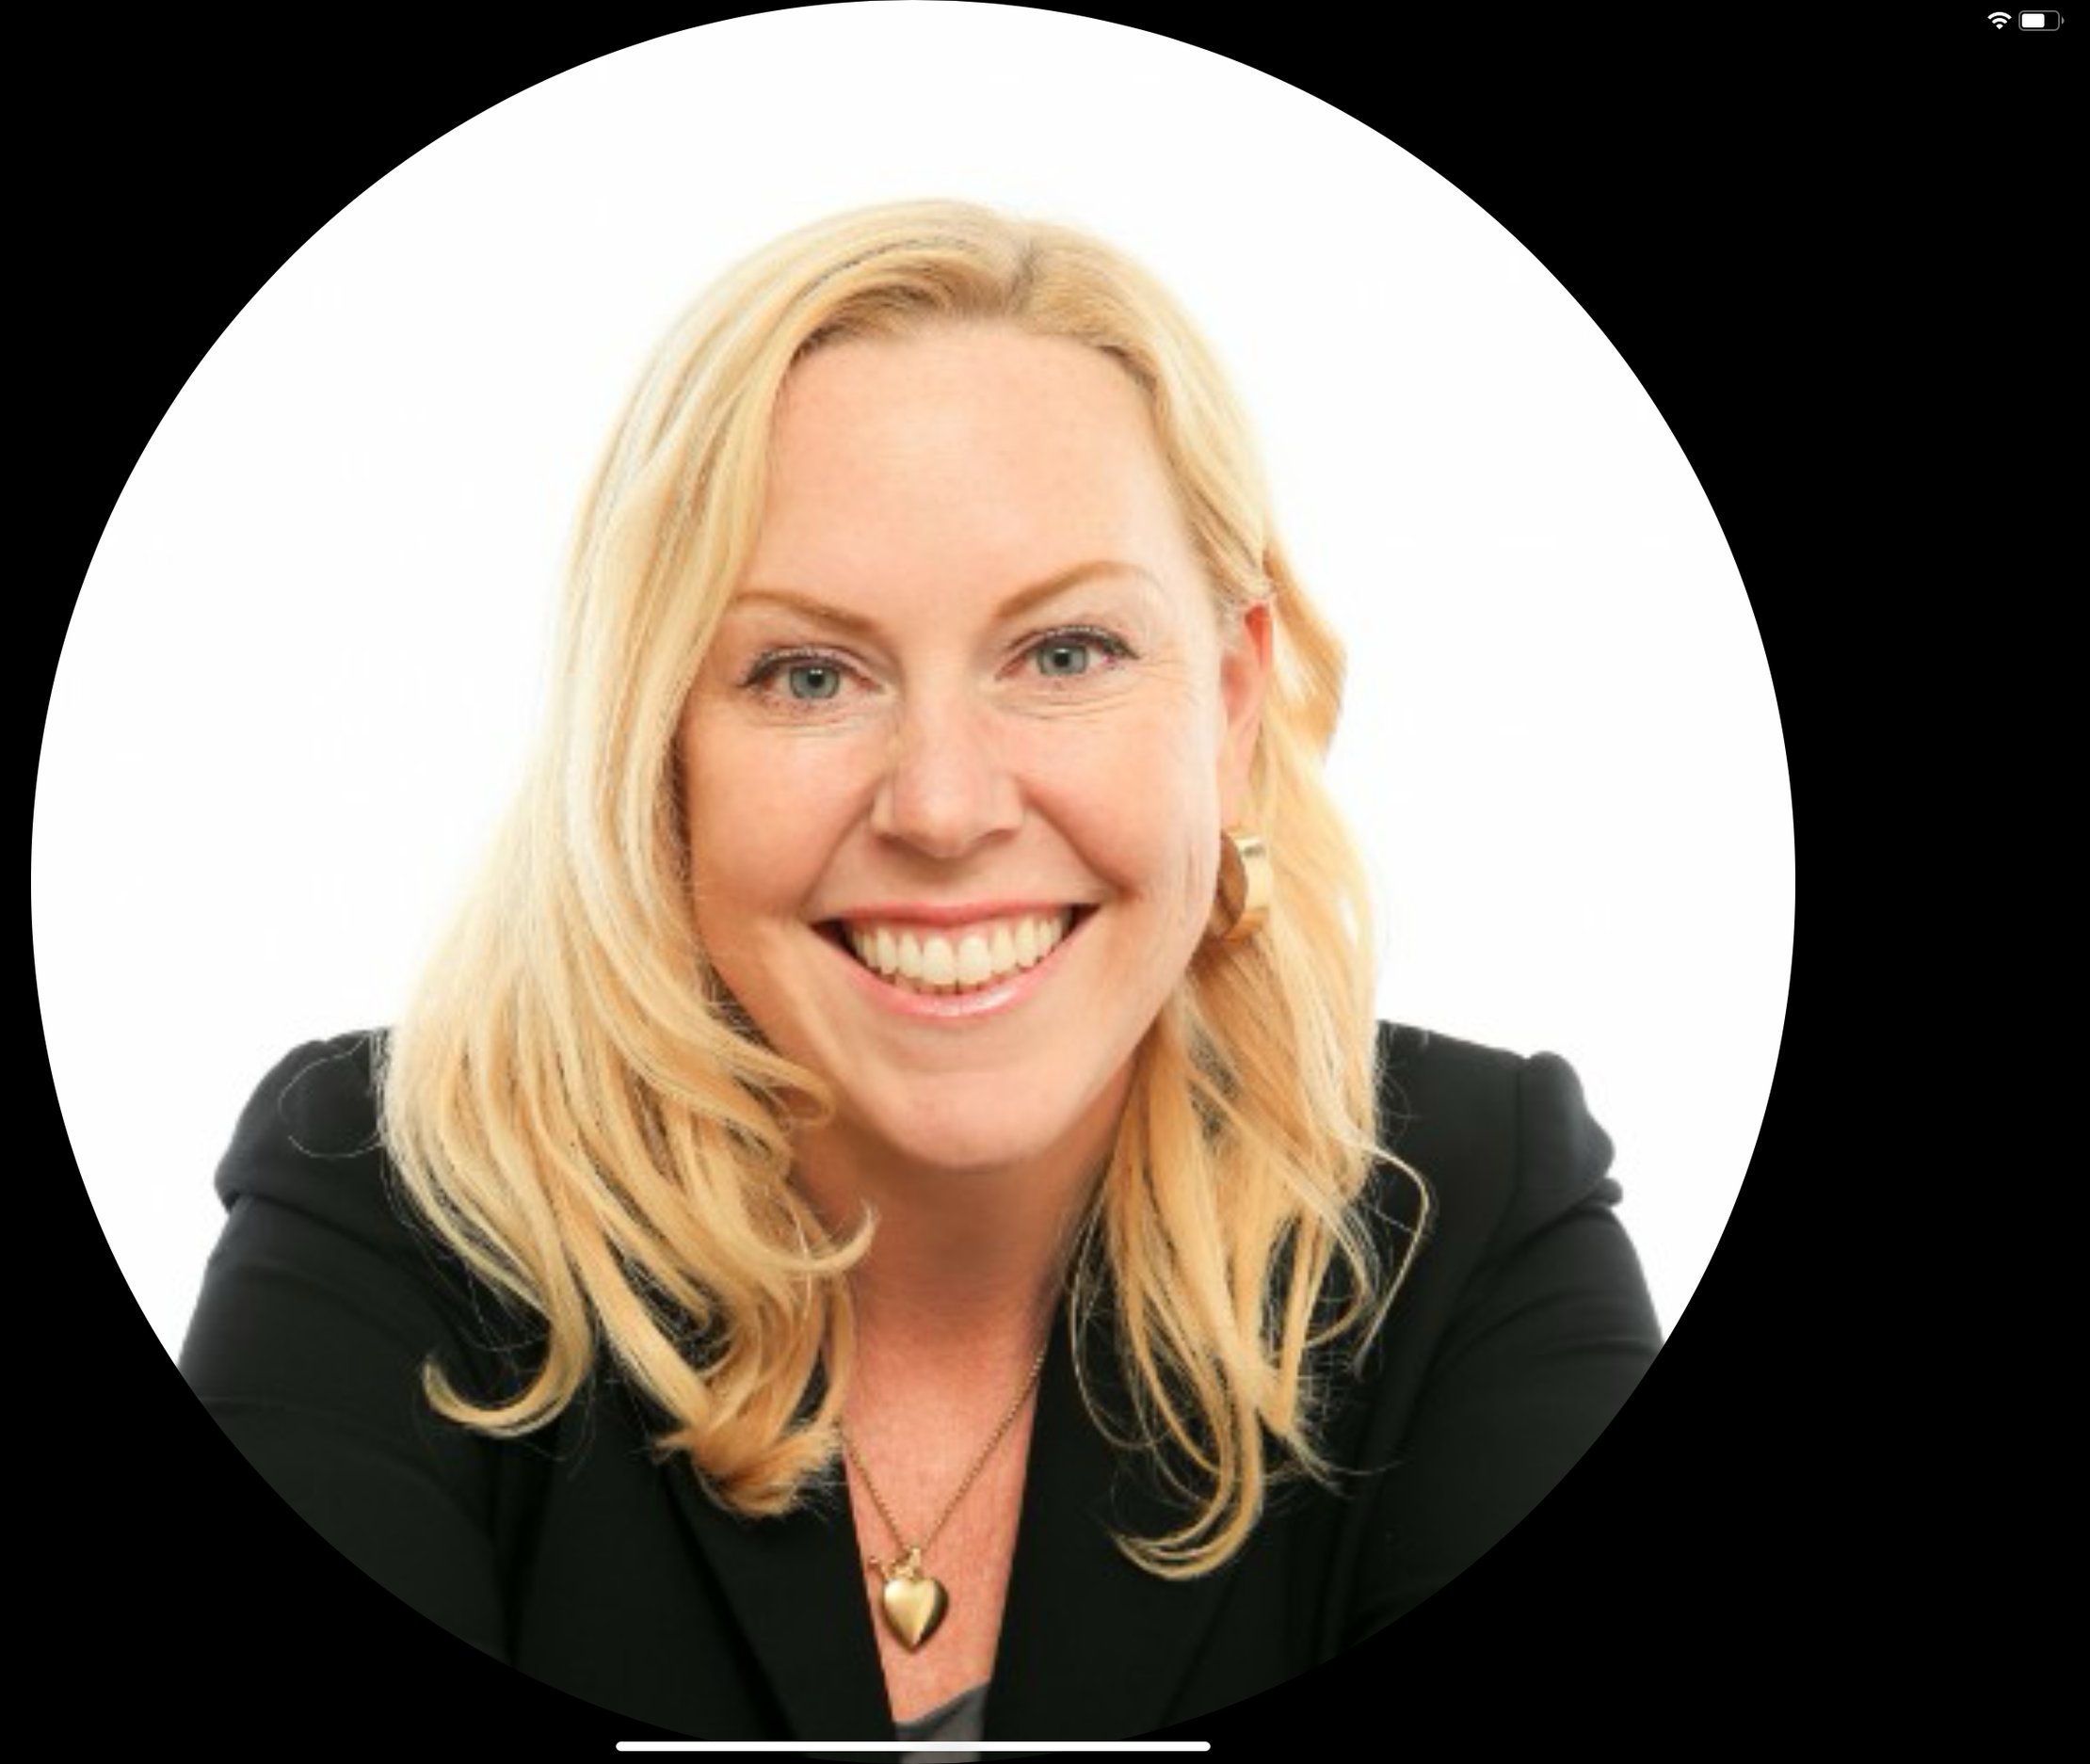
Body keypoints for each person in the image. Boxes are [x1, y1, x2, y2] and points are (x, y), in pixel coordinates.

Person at [180, 199, 1661, 1742]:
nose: (946, 808)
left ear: (1229, 712)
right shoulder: (387, 1200)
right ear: (655, 752)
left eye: (1068, 652)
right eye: (807, 674)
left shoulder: (1474, 1211)